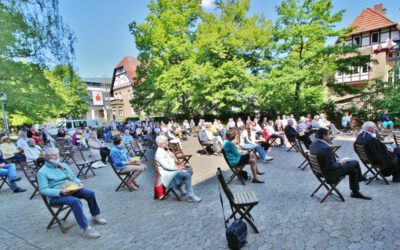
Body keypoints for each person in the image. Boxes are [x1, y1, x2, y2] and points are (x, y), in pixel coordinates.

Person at [37, 148, 107, 238]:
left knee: (90, 193)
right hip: (56, 196)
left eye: (57, 154)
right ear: (46, 157)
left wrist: (79, 183)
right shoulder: (42, 172)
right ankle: (86, 229)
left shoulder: (63, 165)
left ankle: (95, 216)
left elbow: (73, 177)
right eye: (53, 155)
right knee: (75, 201)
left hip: (70, 189)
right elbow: (43, 190)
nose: (56, 156)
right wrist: (60, 191)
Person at [310, 128, 371, 200]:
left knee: (354, 171)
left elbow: (325, 160)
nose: (331, 136)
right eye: (329, 135)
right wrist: (341, 163)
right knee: (355, 162)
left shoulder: (314, 144)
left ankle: (355, 192)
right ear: (324, 136)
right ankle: (360, 179)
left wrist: (336, 161)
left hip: (319, 172)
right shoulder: (326, 148)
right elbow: (332, 167)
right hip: (330, 174)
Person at [154, 135, 201, 202]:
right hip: (168, 174)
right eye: (165, 142)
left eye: (167, 141)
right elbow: (166, 167)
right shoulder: (159, 154)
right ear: (161, 144)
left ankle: (179, 186)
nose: (167, 143)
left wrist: (180, 166)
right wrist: (178, 168)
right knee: (187, 175)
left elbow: (171, 161)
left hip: (173, 170)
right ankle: (190, 196)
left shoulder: (165, 149)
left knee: (189, 170)